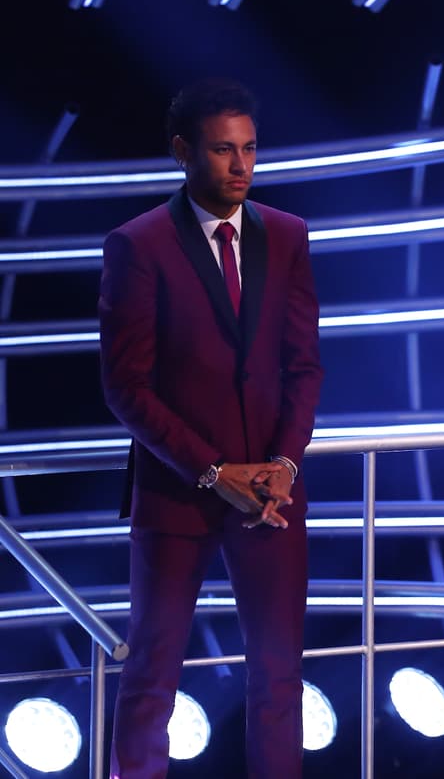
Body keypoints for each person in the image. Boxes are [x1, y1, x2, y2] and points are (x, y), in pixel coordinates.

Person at [99, 77, 323, 779]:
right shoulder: (138, 245)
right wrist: (211, 471)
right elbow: (124, 385)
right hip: (177, 495)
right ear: (182, 152)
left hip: (269, 497)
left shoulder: (287, 236)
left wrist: (281, 466)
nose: (241, 166)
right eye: (223, 151)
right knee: (151, 681)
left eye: (250, 149)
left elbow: (304, 367)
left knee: (279, 679)